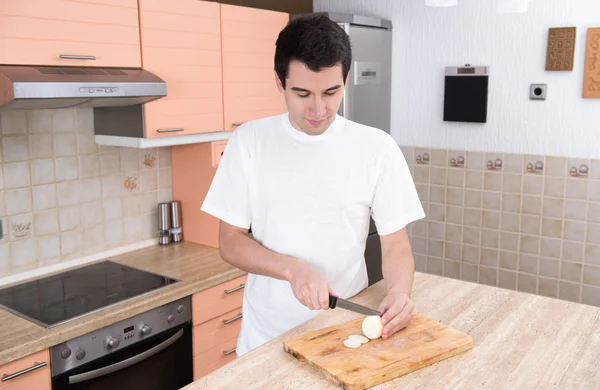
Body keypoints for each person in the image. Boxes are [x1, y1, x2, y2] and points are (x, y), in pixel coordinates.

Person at [201, 14, 425, 357]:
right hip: (266, 340)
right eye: (302, 93)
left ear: (345, 81)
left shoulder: (377, 148)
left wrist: (399, 293)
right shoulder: (249, 142)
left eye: (331, 92)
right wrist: (292, 270)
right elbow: (230, 243)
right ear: (280, 82)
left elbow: (396, 244)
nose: (318, 109)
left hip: (344, 335)